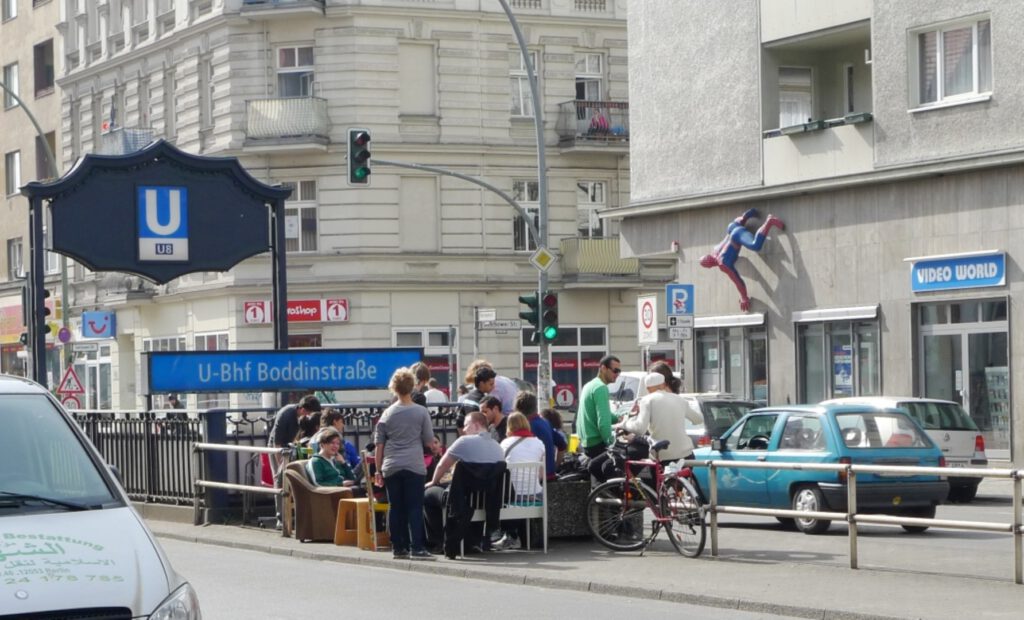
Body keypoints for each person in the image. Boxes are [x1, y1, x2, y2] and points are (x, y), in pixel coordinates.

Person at [373, 368, 436, 561]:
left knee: (395, 506)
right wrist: (433, 449)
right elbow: (428, 441)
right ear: (412, 386)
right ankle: (417, 547)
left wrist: (378, 470)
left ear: (394, 388)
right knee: (414, 507)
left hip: (391, 465)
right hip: (414, 464)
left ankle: (398, 547)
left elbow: (379, 446)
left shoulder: (387, 414)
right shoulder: (421, 412)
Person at [423, 410, 504, 556]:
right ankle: (472, 542)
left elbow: (442, 465)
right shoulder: (497, 447)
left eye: (466, 425)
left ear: (476, 425)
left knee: (428, 495)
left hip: (461, 499)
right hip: (487, 500)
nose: (464, 429)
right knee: (467, 496)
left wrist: (433, 481)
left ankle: (438, 541)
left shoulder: (464, 441)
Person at [699, 208, 784, 312]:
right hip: (732, 228)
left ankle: (769, 222)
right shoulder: (715, 249)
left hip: (737, 236)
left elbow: (738, 281)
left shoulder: (722, 264)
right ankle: (746, 216)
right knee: (731, 227)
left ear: (710, 266)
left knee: (755, 245)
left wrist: (744, 297)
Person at [615, 373, 695, 465]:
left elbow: (640, 429)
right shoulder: (680, 399)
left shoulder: (647, 400)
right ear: (664, 384)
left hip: (663, 456)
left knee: (646, 471)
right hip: (686, 454)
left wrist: (624, 424)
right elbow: (698, 419)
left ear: (647, 388)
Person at [267, 394, 322, 527]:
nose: (310, 417)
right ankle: (281, 518)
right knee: (279, 480)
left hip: (293, 447)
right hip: (279, 449)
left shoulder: (303, 419)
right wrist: (281, 464)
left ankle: (298, 514)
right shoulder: (286, 414)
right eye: (310, 413)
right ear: (303, 409)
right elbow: (277, 443)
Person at [495, 412, 546, 550]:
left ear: (509, 426)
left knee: (500, 493)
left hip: (512, 496)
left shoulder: (505, 443)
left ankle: (510, 536)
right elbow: (541, 475)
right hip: (535, 494)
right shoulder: (539, 443)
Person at [578, 355, 621, 459]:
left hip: (586, 442)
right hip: (597, 443)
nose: (617, 374)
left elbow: (601, 413)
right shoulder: (601, 388)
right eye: (615, 370)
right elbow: (603, 423)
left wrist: (619, 418)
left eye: (619, 371)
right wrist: (611, 443)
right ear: (603, 368)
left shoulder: (590, 385)